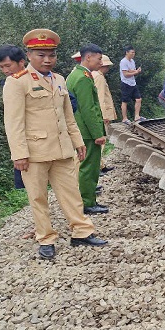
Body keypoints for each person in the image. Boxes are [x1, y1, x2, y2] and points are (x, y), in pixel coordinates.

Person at [2, 29, 107, 260]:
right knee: (38, 198)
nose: (47, 59)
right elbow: (13, 123)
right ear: (28, 55)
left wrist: (78, 141)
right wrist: (19, 154)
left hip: (61, 149)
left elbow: (68, 115)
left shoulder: (59, 79)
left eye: (51, 54)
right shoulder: (16, 82)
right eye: (41, 54)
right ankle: (46, 238)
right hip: (34, 153)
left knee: (71, 193)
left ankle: (81, 231)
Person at [67, 44, 109, 214]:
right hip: (86, 132)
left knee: (85, 166)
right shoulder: (83, 77)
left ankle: (86, 200)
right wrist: (98, 134)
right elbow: (88, 109)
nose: (101, 62)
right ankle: (87, 202)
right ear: (89, 57)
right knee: (89, 168)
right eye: (99, 59)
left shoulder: (75, 74)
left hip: (81, 130)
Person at [0, 45, 27, 193]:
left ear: (21, 62)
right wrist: (18, 153)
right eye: (1, 67)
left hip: (48, 139)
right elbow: (12, 121)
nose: (5, 70)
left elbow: (70, 103)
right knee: (34, 191)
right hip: (23, 141)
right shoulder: (8, 84)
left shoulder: (40, 78)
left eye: (8, 65)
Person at [93, 54, 117, 174]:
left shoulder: (96, 75)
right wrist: (104, 116)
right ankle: (98, 167)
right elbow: (99, 97)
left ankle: (101, 165)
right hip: (103, 114)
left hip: (101, 114)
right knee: (101, 141)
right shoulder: (99, 77)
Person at [119, 46, 145, 124]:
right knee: (125, 101)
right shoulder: (123, 61)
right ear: (127, 52)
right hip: (126, 83)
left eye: (134, 52)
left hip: (133, 83)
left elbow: (131, 70)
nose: (133, 54)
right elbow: (126, 74)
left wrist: (136, 71)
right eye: (132, 52)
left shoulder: (132, 61)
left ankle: (137, 116)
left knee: (138, 99)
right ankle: (124, 118)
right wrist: (136, 72)